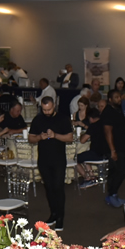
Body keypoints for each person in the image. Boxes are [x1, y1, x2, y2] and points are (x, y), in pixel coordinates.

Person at [28, 96, 74, 230]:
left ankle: (60, 217)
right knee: (49, 188)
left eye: (49, 109)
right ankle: (53, 213)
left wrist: (55, 135)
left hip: (58, 160)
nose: (47, 112)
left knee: (58, 188)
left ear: (54, 106)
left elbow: (70, 138)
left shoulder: (63, 119)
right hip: (43, 160)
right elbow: (30, 138)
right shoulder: (38, 119)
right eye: (44, 110)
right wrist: (39, 137)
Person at [101, 90, 125, 208]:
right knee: (121, 170)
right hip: (114, 148)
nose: (119, 99)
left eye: (119, 97)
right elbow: (108, 131)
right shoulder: (108, 112)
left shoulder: (117, 109)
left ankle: (113, 195)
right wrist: (112, 150)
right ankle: (111, 194)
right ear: (110, 99)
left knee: (114, 172)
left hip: (120, 146)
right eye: (116, 97)